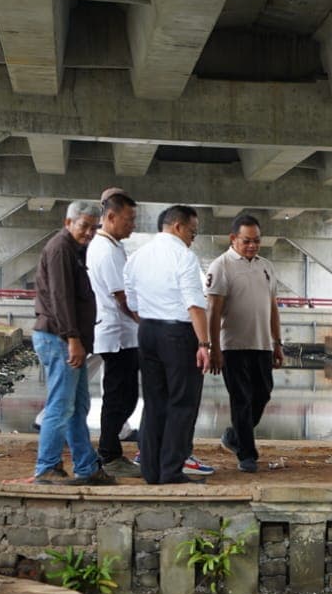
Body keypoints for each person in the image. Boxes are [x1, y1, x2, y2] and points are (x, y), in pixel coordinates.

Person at [124, 205, 211, 485]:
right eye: (192, 231)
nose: (192, 237)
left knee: (154, 402)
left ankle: (151, 470)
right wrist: (204, 343)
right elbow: (195, 305)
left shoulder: (136, 257)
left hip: (147, 330)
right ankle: (171, 470)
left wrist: (151, 324)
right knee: (182, 403)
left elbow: (132, 303)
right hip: (179, 334)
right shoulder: (184, 257)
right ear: (177, 226)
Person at [31, 201, 112, 486]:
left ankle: (86, 466)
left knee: (77, 406)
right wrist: (73, 340)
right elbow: (61, 297)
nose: (89, 232)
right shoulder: (60, 249)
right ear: (68, 223)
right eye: (84, 226)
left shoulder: (74, 249)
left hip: (65, 337)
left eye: (94, 227)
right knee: (60, 405)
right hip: (59, 338)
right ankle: (47, 466)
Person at [207, 214, 282, 474]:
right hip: (232, 346)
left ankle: (234, 436)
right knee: (241, 399)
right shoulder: (221, 266)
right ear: (233, 239)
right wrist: (213, 347)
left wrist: (278, 343)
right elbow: (214, 311)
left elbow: (272, 307)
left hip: (262, 345)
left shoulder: (267, 266)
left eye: (256, 241)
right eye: (246, 241)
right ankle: (247, 454)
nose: (252, 246)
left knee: (262, 394)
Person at [87, 191, 143, 478]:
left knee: (127, 395)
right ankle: (108, 454)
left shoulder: (113, 245)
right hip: (116, 334)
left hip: (123, 334)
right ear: (110, 217)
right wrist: (146, 323)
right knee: (118, 397)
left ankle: (110, 450)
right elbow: (123, 298)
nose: (132, 224)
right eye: (129, 219)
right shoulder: (105, 250)